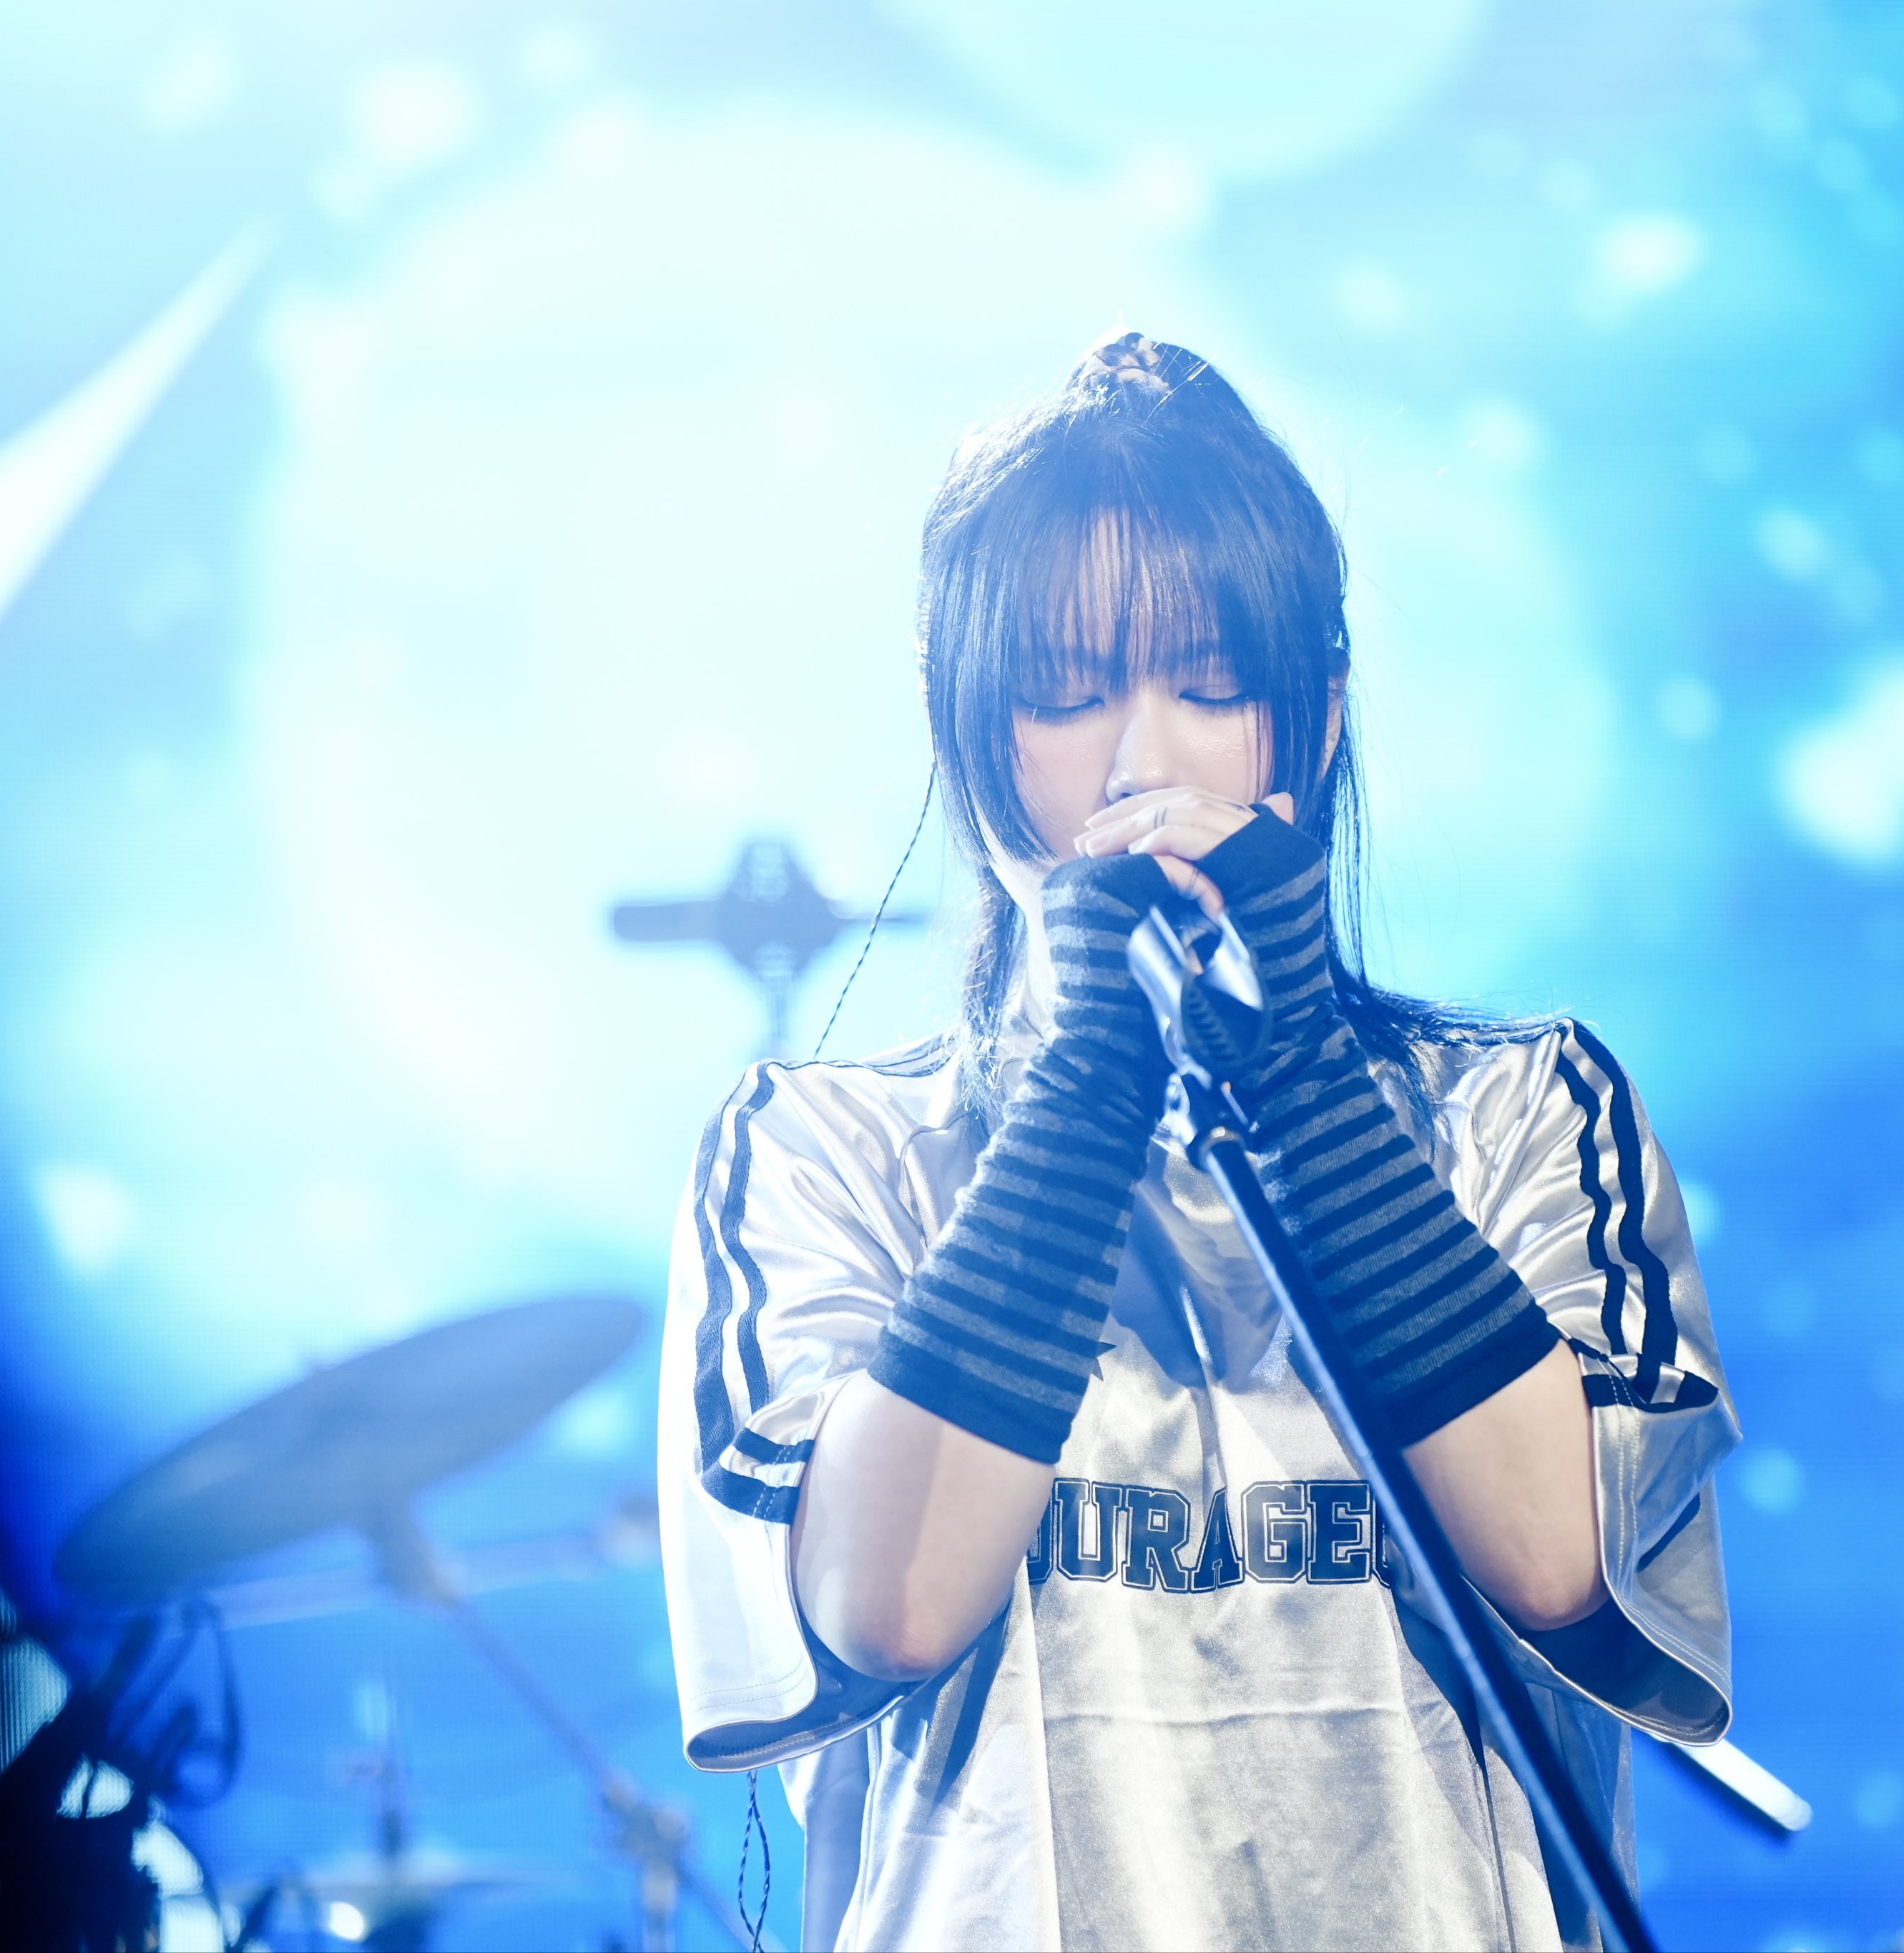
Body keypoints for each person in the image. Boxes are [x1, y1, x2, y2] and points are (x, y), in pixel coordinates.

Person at [658, 331, 1738, 1952]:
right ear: (967, 729)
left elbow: (1553, 1559)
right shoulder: (821, 1151)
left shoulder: (1525, 1111)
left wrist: (1294, 1067)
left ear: (1314, 718)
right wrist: (1092, 1077)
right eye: (1064, 693)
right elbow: (887, 1606)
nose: (1141, 762)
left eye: (1211, 686)